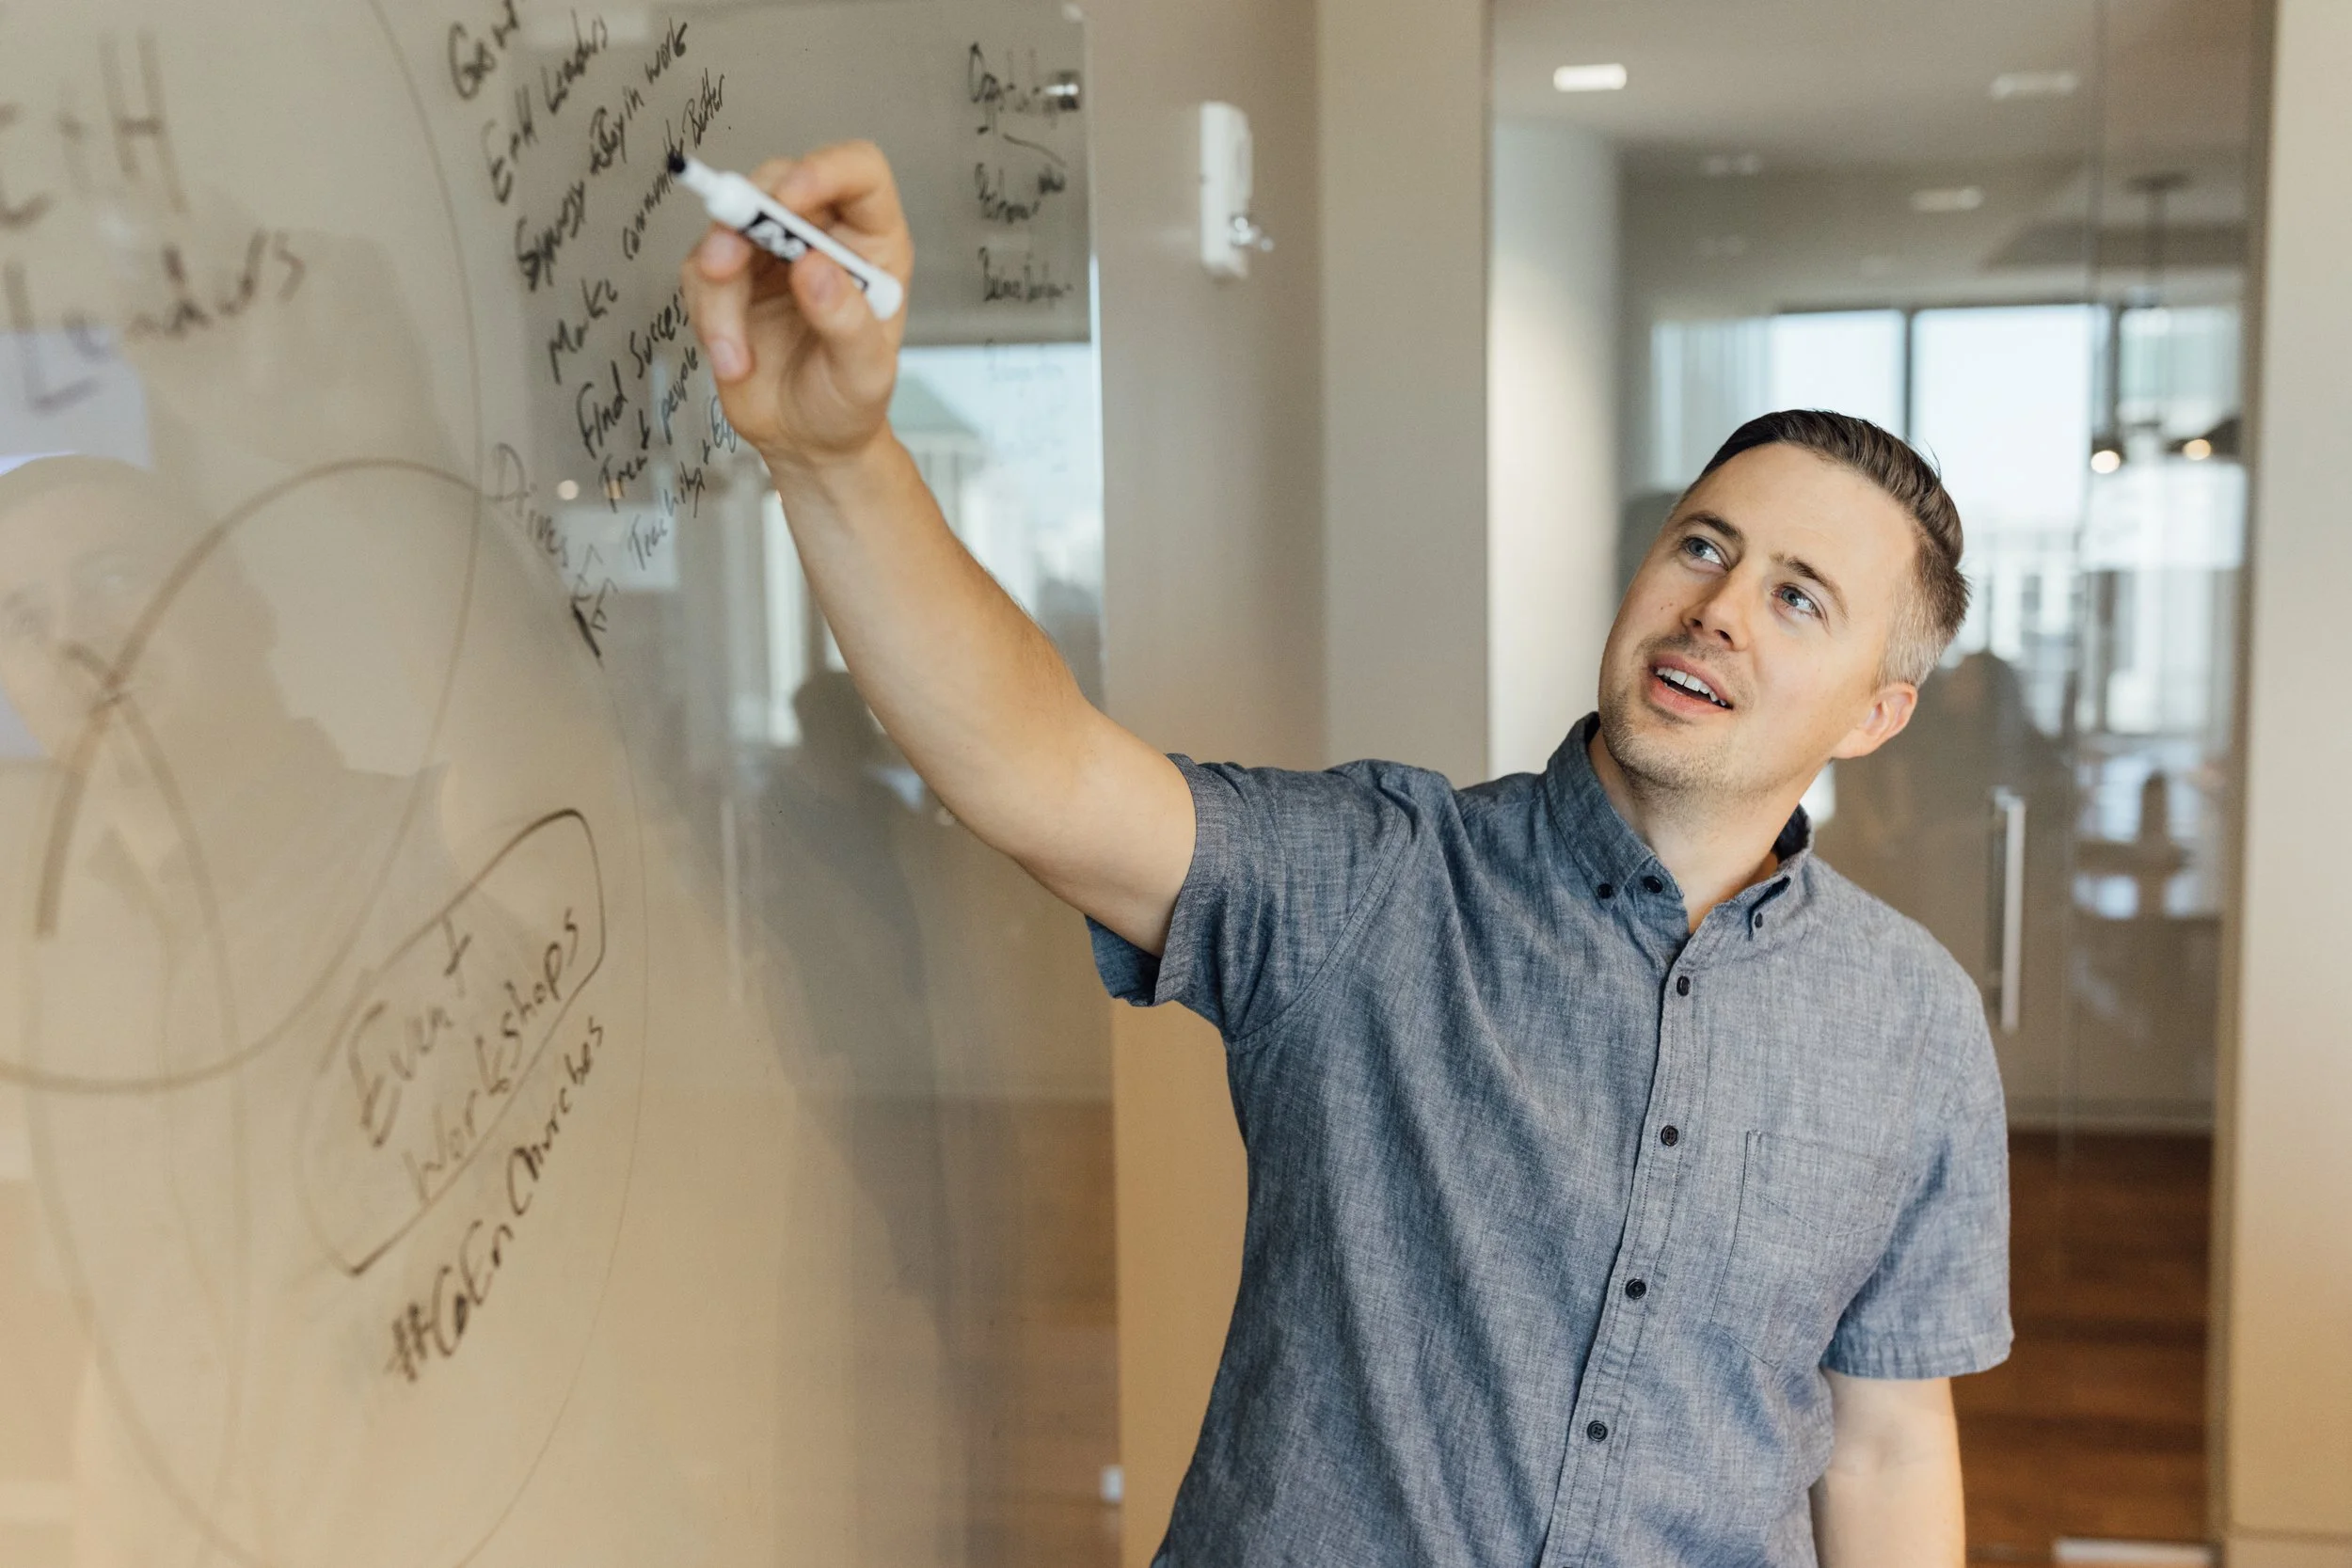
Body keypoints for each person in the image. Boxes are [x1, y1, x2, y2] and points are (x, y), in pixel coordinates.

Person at [679, 142, 2009, 1568]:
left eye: (1799, 598)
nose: (1721, 608)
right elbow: (1039, 769)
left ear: (1876, 714)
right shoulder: (1379, 881)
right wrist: (837, 460)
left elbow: (1886, 1440)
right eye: (1703, 547)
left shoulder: (1915, 1022)